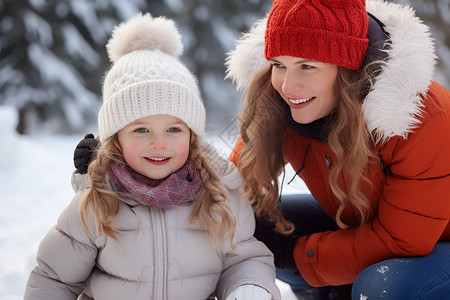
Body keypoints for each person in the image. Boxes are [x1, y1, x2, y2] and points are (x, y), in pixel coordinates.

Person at [24, 13, 281, 300]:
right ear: (116, 139)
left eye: (173, 129)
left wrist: (249, 287)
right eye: (141, 129)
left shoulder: (220, 198)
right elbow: (55, 281)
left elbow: (243, 259)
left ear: (192, 136)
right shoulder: (96, 204)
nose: (159, 143)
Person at [224, 0, 450, 299]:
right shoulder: (281, 104)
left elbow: (402, 240)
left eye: (307, 66)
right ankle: (330, 291)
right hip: (364, 222)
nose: (288, 86)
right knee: (255, 227)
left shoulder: (419, 117)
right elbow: (231, 185)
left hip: (433, 241)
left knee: (382, 286)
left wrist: (296, 255)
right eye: (279, 64)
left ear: (348, 69)